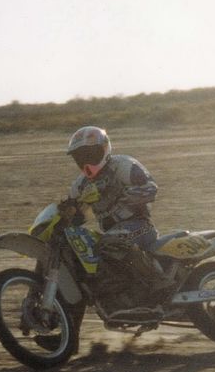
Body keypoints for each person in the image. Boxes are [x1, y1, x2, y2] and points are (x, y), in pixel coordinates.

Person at [60, 126, 170, 297]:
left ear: (103, 149)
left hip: (141, 226)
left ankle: (159, 281)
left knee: (111, 241)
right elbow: (74, 212)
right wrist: (65, 213)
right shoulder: (81, 184)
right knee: (82, 246)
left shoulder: (123, 165)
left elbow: (151, 188)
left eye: (89, 155)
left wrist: (118, 194)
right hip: (111, 232)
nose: (86, 161)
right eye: (80, 157)